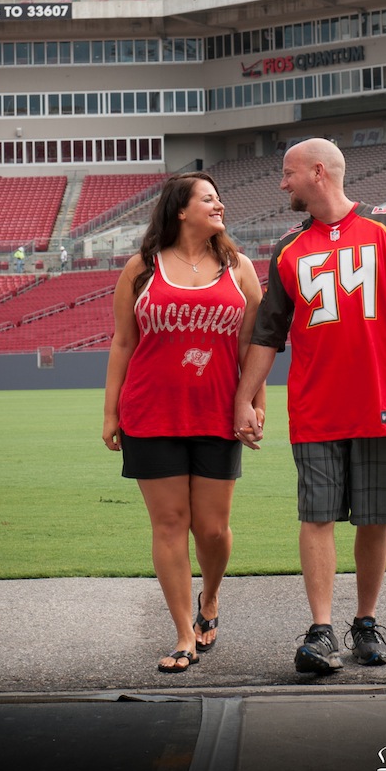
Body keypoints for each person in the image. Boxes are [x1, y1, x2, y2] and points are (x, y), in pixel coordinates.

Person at [234, 138, 386, 675]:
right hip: (315, 406)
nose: (282, 184)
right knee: (317, 515)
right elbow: (267, 335)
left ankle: (366, 623)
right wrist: (243, 398)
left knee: (376, 519)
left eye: (288, 174)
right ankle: (321, 630)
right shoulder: (287, 248)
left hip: (381, 399)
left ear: (317, 172)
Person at [103, 172, 264, 674]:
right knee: (169, 524)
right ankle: (181, 635)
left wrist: (256, 403)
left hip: (217, 412)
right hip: (150, 413)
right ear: (180, 209)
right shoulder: (141, 268)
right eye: (209, 199)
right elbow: (123, 343)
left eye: (219, 198)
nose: (219, 205)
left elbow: (252, 346)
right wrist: (111, 411)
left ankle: (210, 598)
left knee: (212, 529)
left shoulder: (239, 268)